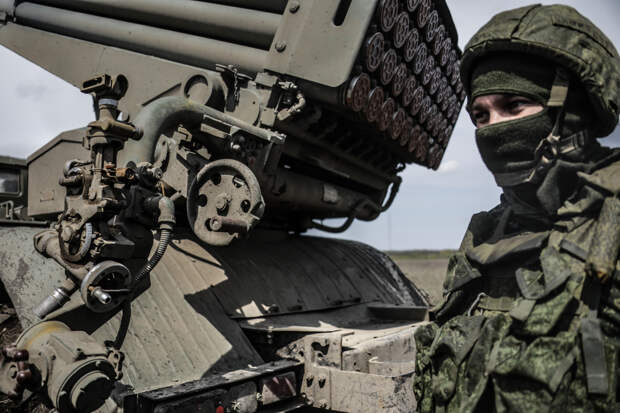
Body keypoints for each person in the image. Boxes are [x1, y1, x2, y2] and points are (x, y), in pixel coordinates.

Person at [414, 4, 620, 412]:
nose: (493, 128)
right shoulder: (485, 234)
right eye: (481, 114)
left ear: (570, 109)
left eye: (514, 105)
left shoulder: (610, 225)